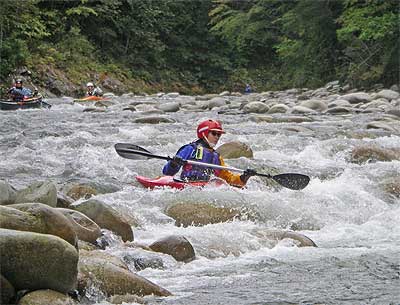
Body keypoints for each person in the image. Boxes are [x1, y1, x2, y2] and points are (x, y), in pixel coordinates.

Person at [162, 119, 256, 187]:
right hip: (186, 185)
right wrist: (173, 163)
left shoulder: (216, 157)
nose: (217, 137)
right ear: (204, 133)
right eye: (214, 133)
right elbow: (167, 172)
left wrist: (244, 177)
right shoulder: (189, 149)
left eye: (218, 134)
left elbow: (229, 179)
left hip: (205, 187)